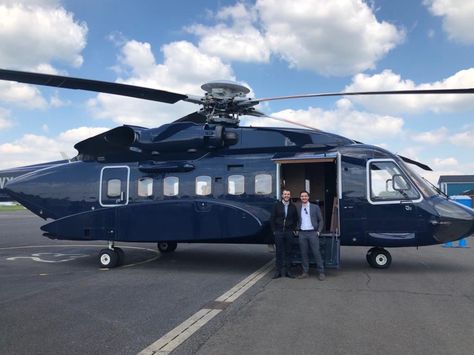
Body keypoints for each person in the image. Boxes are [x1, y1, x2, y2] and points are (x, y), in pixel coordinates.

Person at [296, 190, 326, 281]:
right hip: (302, 233)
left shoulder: (315, 207)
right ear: (300, 198)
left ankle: (321, 272)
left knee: (316, 252)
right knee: (304, 253)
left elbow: (321, 220)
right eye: (302, 196)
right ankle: (305, 272)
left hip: (313, 233)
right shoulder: (298, 207)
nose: (304, 198)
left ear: (308, 197)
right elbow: (295, 219)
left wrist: (318, 231)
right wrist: (296, 229)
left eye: (305, 196)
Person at [270, 189, 298, 279]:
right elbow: (272, 219)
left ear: (290, 196)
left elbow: (295, 219)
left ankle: (288, 271)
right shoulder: (277, 206)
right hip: (279, 231)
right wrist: (274, 230)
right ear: (282, 195)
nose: (286, 196)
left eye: (288, 194)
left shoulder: (293, 207)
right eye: (285, 194)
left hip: (289, 232)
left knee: (289, 251)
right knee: (279, 252)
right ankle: (278, 271)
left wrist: (293, 228)